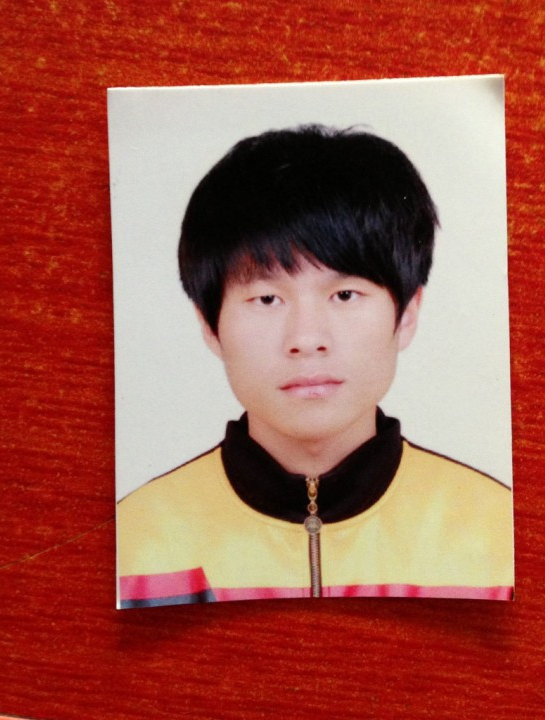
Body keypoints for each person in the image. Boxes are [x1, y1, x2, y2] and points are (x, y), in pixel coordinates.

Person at [116, 125, 514, 608]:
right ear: (209, 325)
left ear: (407, 314)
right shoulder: (135, 543)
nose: (306, 340)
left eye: (344, 295)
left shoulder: (496, 536)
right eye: (267, 298)